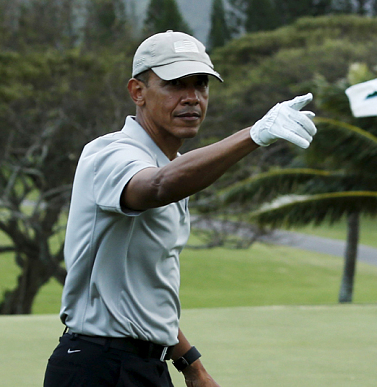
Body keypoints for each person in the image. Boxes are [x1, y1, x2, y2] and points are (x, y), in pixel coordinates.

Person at [43, 30, 317, 387]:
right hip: (97, 366)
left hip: (145, 366)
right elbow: (156, 186)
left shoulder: (176, 166)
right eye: (175, 85)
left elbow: (148, 294)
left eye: (200, 85)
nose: (192, 98)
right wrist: (254, 135)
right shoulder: (110, 153)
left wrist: (190, 364)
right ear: (137, 92)